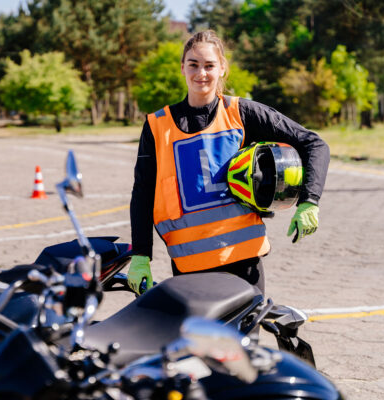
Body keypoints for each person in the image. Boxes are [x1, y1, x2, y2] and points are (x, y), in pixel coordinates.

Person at [127, 30, 329, 295]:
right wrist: (141, 256)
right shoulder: (156, 126)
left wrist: (309, 202)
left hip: (243, 263)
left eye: (210, 65)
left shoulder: (241, 113)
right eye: (194, 65)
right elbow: (143, 193)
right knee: (199, 339)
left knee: (243, 339)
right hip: (189, 266)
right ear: (182, 68)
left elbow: (314, 143)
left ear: (222, 68)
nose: (201, 73)